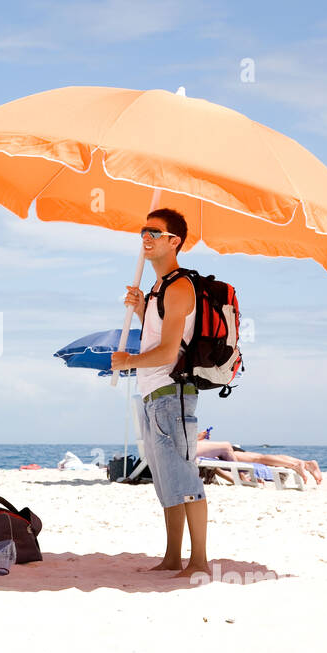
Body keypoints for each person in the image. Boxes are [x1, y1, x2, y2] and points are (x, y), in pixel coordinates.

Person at [110, 208, 209, 580]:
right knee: (166, 479)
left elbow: (169, 353)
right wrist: (140, 310)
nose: (146, 237)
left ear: (175, 241)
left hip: (174, 392)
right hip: (153, 392)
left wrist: (127, 361)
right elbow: (158, 338)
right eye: (143, 231)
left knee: (184, 478)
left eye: (155, 231)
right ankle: (172, 557)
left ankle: (198, 561)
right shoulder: (156, 290)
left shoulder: (180, 286)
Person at [197, 430, 323, 485]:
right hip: (220, 452)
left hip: (222, 454)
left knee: (259, 459)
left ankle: (295, 465)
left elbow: (218, 468)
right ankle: (306, 464)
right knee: (260, 457)